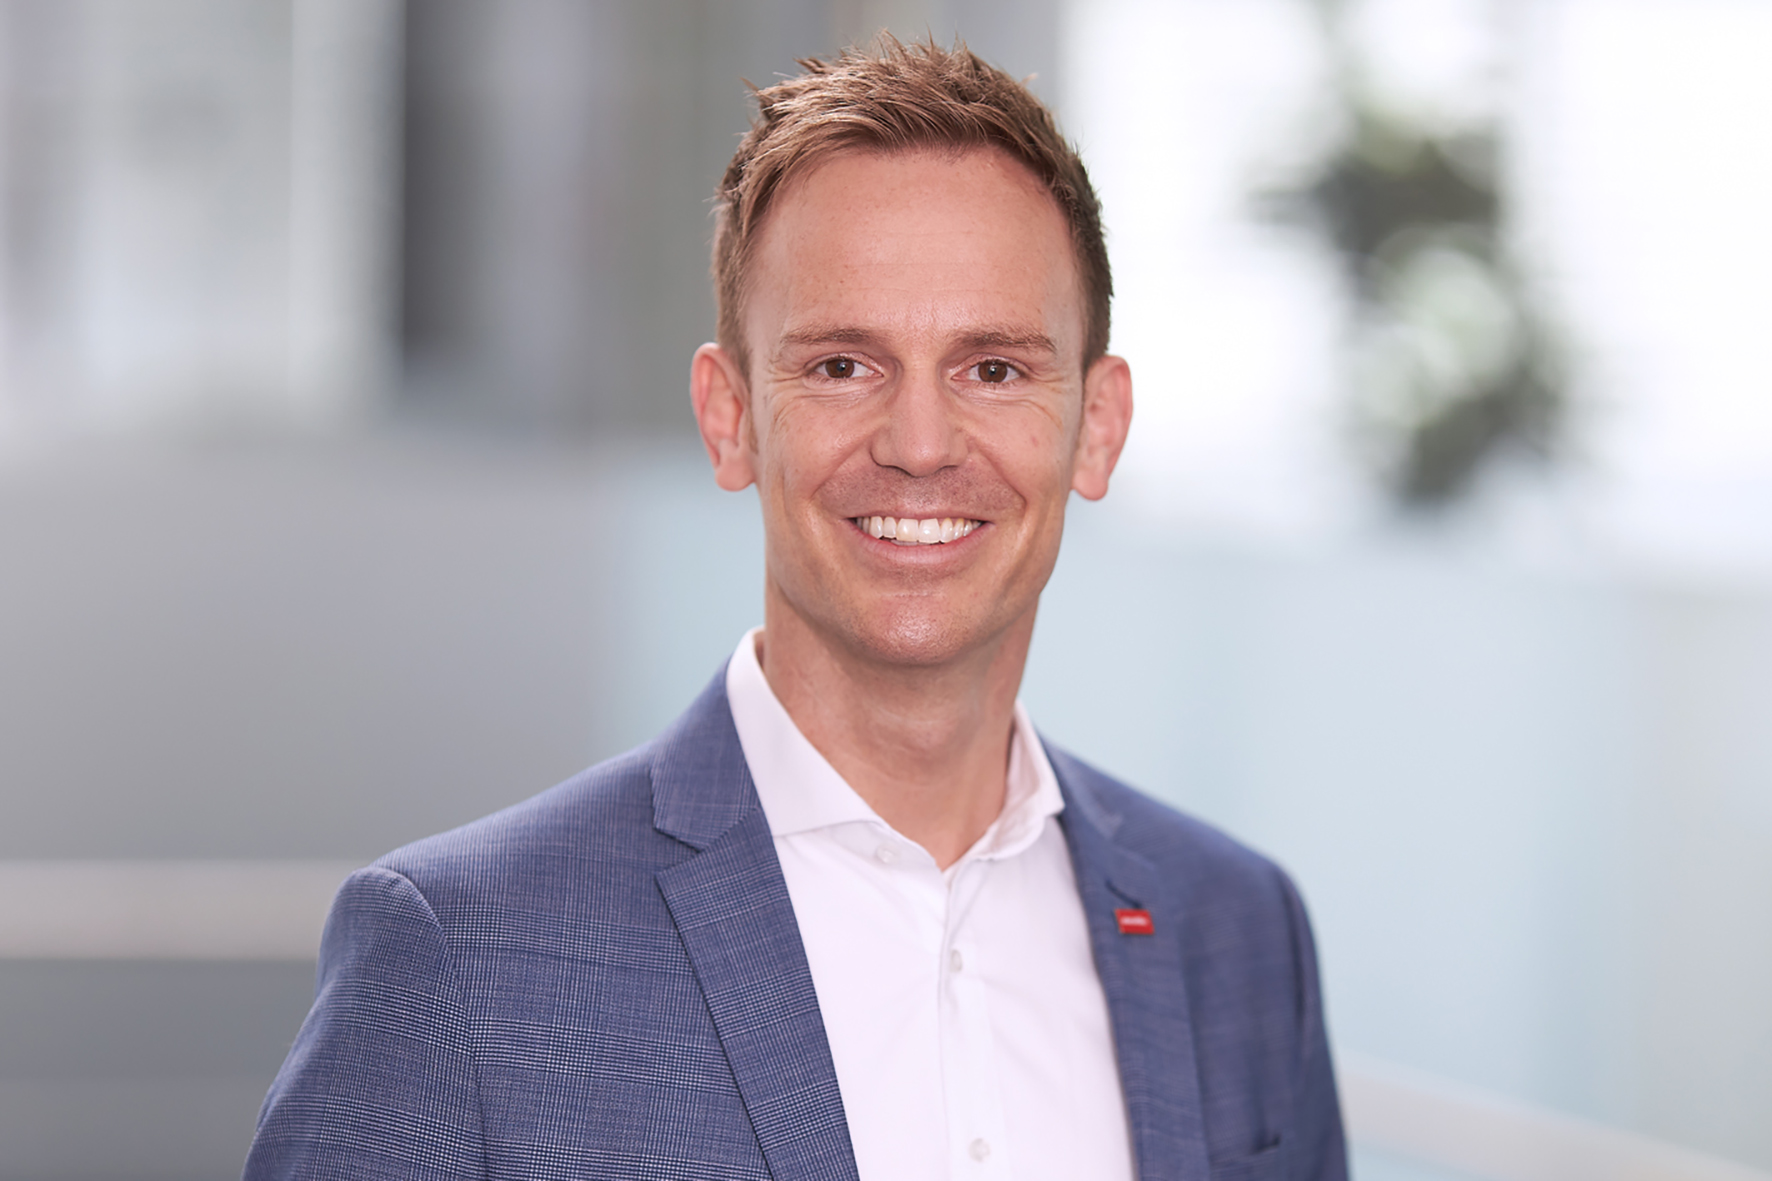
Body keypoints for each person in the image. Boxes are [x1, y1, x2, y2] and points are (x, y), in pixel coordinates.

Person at [246, 37, 1346, 1181]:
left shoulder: (1237, 932)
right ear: (729, 418)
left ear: (1096, 426)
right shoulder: (458, 959)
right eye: (839, 366)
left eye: (993, 368)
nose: (919, 444)